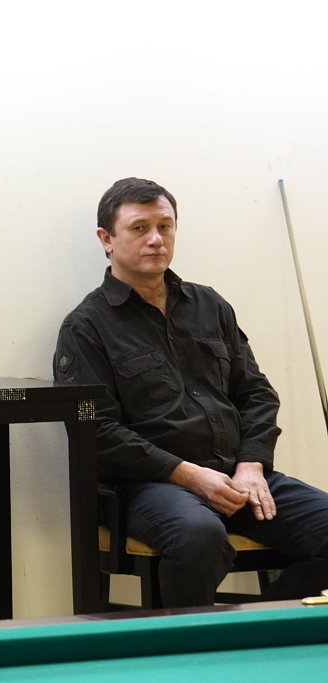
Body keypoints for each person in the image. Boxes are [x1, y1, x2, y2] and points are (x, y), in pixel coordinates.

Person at [54, 177, 328, 607]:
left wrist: (252, 464)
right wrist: (189, 475)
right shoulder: (86, 326)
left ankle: (258, 631)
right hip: (148, 487)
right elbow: (97, 431)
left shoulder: (209, 305)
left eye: (165, 226)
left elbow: (257, 394)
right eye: (139, 228)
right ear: (106, 239)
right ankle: (193, 645)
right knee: (199, 536)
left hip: (238, 475)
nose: (156, 239)